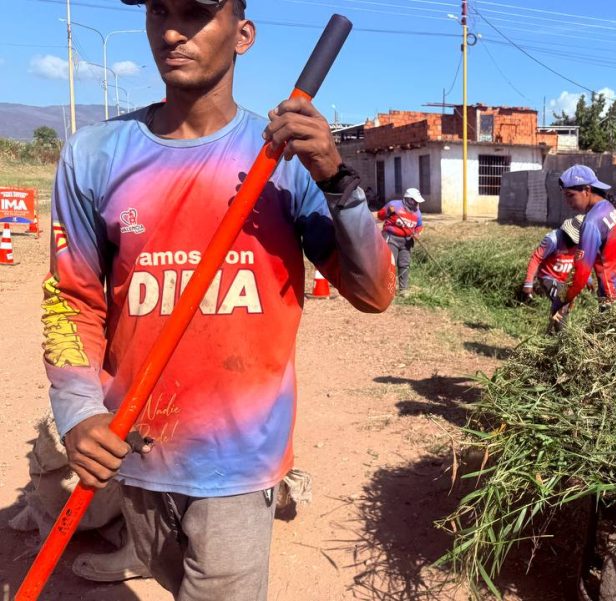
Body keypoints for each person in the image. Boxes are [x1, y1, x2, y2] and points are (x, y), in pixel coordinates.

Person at [44, 1, 395, 600]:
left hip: (241, 457)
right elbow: (72, 298)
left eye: (195, 13)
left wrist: (335, 176)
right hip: (135, 445)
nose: (171, 31)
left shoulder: (285, 163)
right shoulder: (93, 155)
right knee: (165, 573)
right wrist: (78, 411)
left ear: (243, 34)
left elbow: (374, 293)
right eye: (159, 11)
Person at [552, 165, 616, 325]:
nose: (567, 202)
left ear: (587, 190)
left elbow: (580, 272)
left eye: (570, 195)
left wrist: (561, 301)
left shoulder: (592, 222)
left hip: (613, 296)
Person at [522, 215, 584, 328]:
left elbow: (580, 262)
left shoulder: (583, 243)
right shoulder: (553, 239)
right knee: (562, 303)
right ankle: (562, 334)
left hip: (565, 280)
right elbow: (536, 259)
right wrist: (528, 283)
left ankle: (551, 332)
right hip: (548, 277)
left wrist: (587, 279)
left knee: (567, 305)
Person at [377, 187, 425, 296]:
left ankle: (403, 289)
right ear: (408, 199)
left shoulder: (417, 213)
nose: (416, 204)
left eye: (417, 202)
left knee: (404, 264)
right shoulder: (394, 205)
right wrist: (388, 211)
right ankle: (387, 289)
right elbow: (380, 216)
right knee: (390, 263)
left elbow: (419, 226)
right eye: (415, 201)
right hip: (391, 238)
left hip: (407, 241)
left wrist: (417, 234)